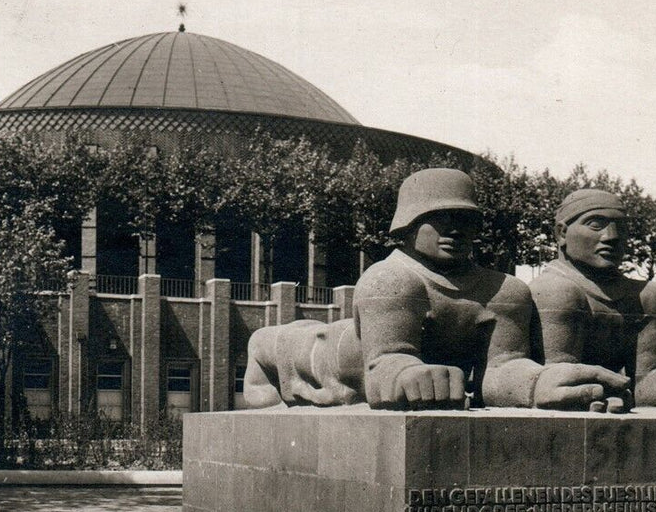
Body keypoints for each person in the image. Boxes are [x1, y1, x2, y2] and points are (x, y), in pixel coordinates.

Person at [243, 169, 630, 410]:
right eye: (439, 218)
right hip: (338, 358)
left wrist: (537, 384)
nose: (455, 230)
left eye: (465, 219)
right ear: (409, 223)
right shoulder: (390, 279)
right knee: (291, 343)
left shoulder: (504, 290)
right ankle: (263, 346)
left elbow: (500, 371)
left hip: (413, 365)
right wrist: (405, 374)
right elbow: (382, 368)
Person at [529, 188, 656, 412]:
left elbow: (645, 381)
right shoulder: (552, 291)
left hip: (608, 404)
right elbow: (557, 379)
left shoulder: (649, 298)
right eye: (596, 224)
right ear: (561, 233)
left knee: (655, 295)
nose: (612, 237)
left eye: (621, 228)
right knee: (562, 292)